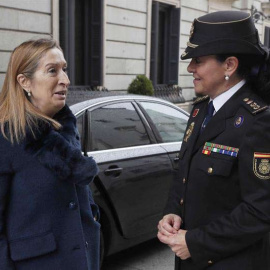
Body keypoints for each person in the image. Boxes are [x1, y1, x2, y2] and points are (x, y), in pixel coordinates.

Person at [157, 10, 270, 270]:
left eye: (198, 60)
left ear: (229, 65)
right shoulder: (199, 111)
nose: (190, 68)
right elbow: (183, 174)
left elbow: (260, 211)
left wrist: (196, 242)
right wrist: (172, 212)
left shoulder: (259, 120)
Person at [0, 38, 100, 269]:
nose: (65, 80)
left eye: (64, 69)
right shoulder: (7, 136)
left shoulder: (65, 126)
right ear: (25, 82)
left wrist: (92, 218)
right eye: (52, 71)